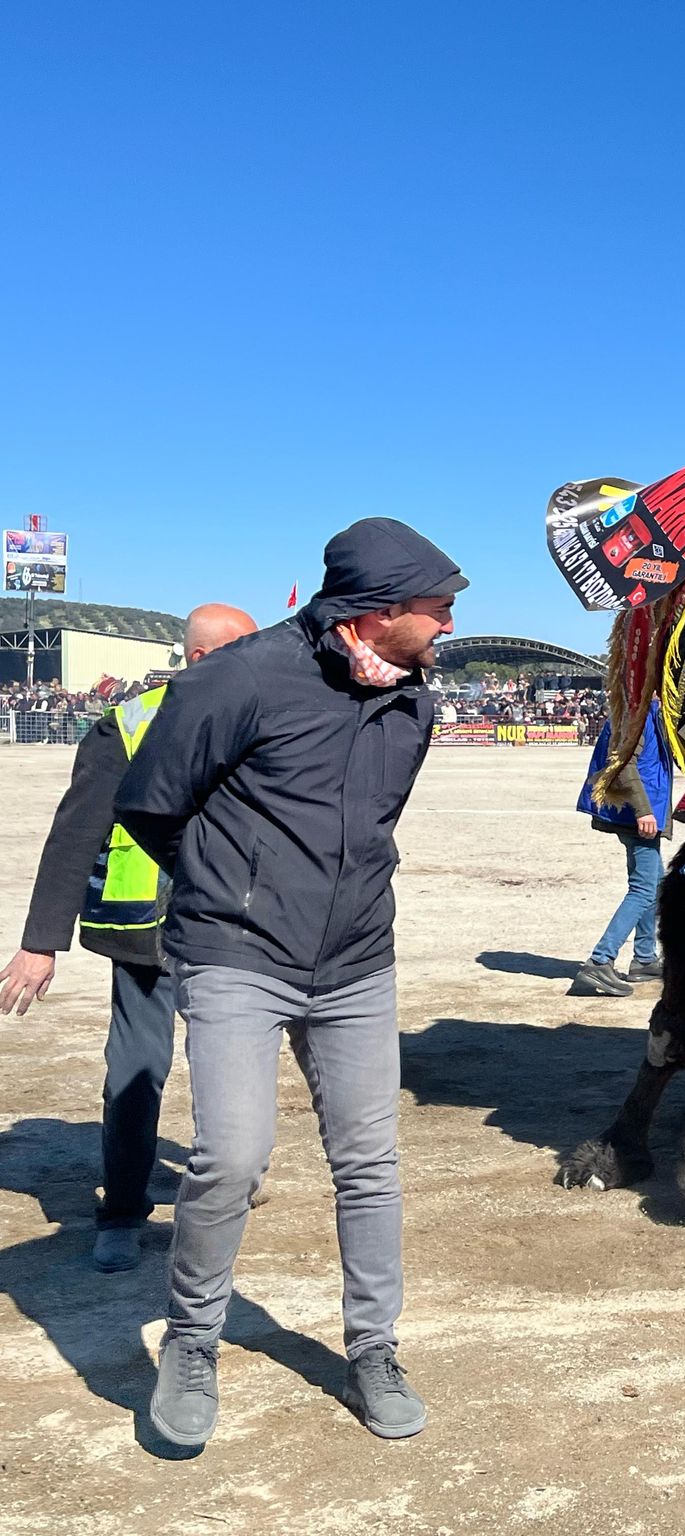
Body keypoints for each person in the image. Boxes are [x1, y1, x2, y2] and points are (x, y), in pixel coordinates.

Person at [113, 518, 464, 1449]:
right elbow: (150, 802)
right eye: (438, 609)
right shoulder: (240, 677)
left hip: (356, 963)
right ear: (381, 609)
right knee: (231, 1156)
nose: (449, 625)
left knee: (371, 1162)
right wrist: (228, 891)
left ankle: (375, 1347)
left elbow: (374, 822)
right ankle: (192, 1341)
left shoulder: (415, 700)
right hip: (236, 956)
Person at [1, 605, 259, 1273]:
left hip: (239, 927)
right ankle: (120, 1210)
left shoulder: (265, 716)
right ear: (201, 659)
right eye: (244, 649)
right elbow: (76, 831)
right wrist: (40, 942)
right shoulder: (128, 724)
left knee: (232, 1066)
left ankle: (222, 1183)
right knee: (138, 1068)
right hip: (149, 928)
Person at [571, 710, 673, 997]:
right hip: (637, 815)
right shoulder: (635, 714)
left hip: (640, 813)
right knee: (643, 889)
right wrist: (644, 811)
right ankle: (600, 961)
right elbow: (624, 764)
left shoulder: (642, 709)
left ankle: (644, 958)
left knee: (653, 884)